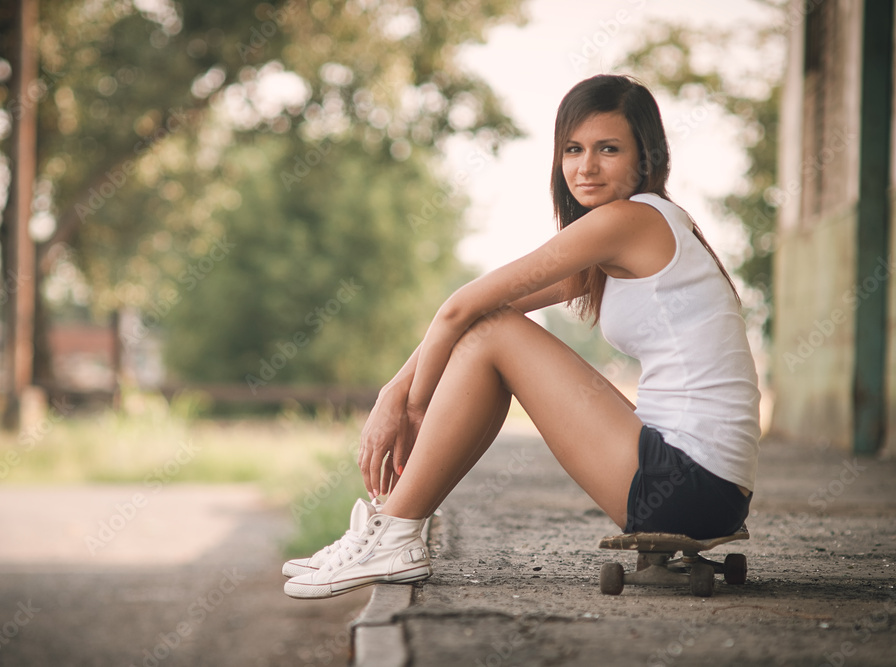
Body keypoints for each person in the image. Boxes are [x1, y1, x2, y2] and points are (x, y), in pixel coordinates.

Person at [283, 74, 760, 600]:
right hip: (710, 489)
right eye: (573, 149)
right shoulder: (644, 229)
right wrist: (394, 389)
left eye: (609, 149)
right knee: (491, 329)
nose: (586, 166)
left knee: (491, 331)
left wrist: (412, 406)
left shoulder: (627, 221)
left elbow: (462, 306)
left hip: (685, 482)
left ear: (645, 157)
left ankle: (394, 532)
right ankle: (395, 531)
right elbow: (482, 311)